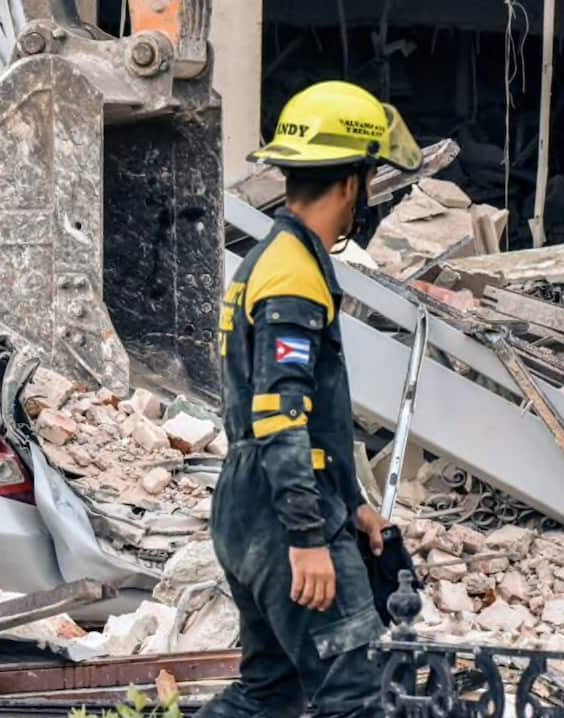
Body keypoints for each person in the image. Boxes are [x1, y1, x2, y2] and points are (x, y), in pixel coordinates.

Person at [196, 81, 423, 718]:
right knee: (358, 694)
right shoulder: (294, 271)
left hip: (251, 502)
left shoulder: (274, 258)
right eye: (372, 179)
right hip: (283, 513)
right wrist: (307, 538)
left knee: (269, 693)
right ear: (353, 183)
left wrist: (353, 506)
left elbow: (292, 413)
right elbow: (280, 412)